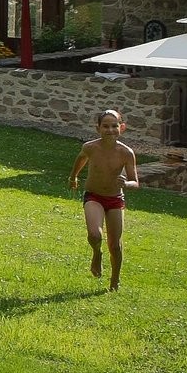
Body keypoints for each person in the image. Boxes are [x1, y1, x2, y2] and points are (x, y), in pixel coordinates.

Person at [70, 108, 140, 290]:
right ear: (98, 128)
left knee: (115, 245)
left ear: (121, 127)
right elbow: (80, 159)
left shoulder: (126, 152)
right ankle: (97, 254)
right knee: (95, 235)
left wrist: (127, 184)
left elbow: (135, 182)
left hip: (115, 199)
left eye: (114, 126)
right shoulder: (90, 147)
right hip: (93, 195)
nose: (110, 130)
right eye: (105, 126)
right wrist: (73, 177)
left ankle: (115, 280)